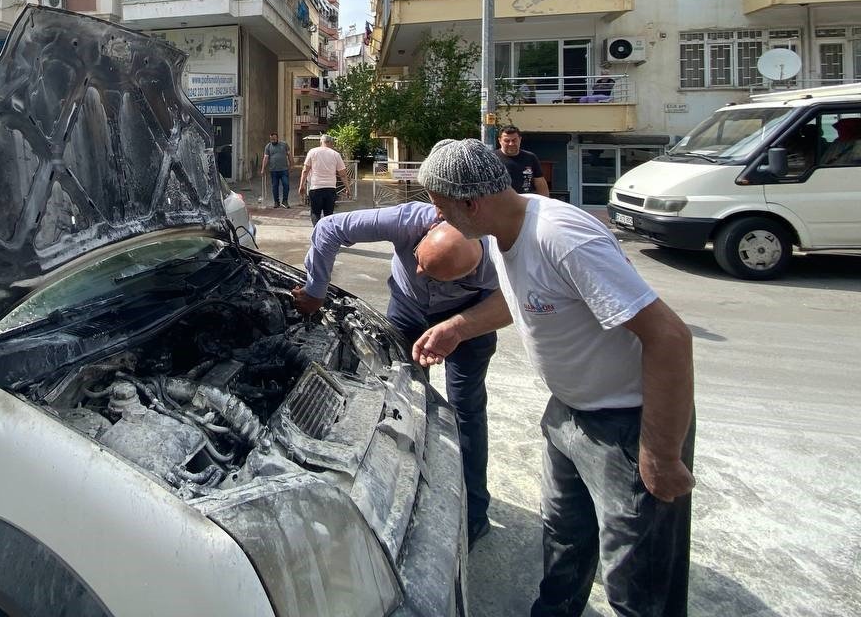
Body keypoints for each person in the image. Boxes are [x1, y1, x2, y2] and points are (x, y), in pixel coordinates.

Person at [413, 138, 695, 617]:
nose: (437, 216)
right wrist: (459, 327)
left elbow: (668, 336)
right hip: (568, 414)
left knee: (637, 582)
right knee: (564, 537)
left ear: (471, 203)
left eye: (441, 205)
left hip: (628, 426)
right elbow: (530, 297)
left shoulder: (562, 237)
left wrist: (662, 454)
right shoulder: (501, 231)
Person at [291, 204, 500, 549]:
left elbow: (513, 303)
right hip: (408, 312)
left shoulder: (497, 262)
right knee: (403, 400)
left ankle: (474, 512)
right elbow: (328, 228)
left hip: (471, 318)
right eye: (418, 259)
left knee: (467, 410)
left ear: (473, 272)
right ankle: (405, 492)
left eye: (433, 274)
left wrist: (459, 328)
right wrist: (316, 291)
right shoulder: (408, 221)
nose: (417, 270)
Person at [299, 134, 350, 225]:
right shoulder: (335, 154)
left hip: (316, 188)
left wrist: (301, 185)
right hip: (330, 189)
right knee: (329, 215)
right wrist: (347, 188)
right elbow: (343, 174)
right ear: (331, 143)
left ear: (320, 142)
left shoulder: (312, 152)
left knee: (315, 213)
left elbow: (305, 170)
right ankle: (327, 232)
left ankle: (317, 230)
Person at [497, 125, 550, 197]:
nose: (511, 144)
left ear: (520, 139)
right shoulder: (493, 159)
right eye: (507, 141)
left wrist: (545, 201)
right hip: (502, 201)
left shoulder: (530, 157)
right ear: (500, 141)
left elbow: (540, 182)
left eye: (514, 140)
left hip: (526, 200)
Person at [261, 131, 292, 208]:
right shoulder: (268, 146)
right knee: (275, 186)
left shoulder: (284, 144)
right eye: (271, 139)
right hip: (273, 170)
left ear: (277, 138)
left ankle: (285, 201)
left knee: (286, 184)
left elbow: (289, 155)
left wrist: (291, 165)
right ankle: (276, 202)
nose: (273, 141)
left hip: (284, 169)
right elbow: (266, 158)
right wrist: (263, 169)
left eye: (274, 139)